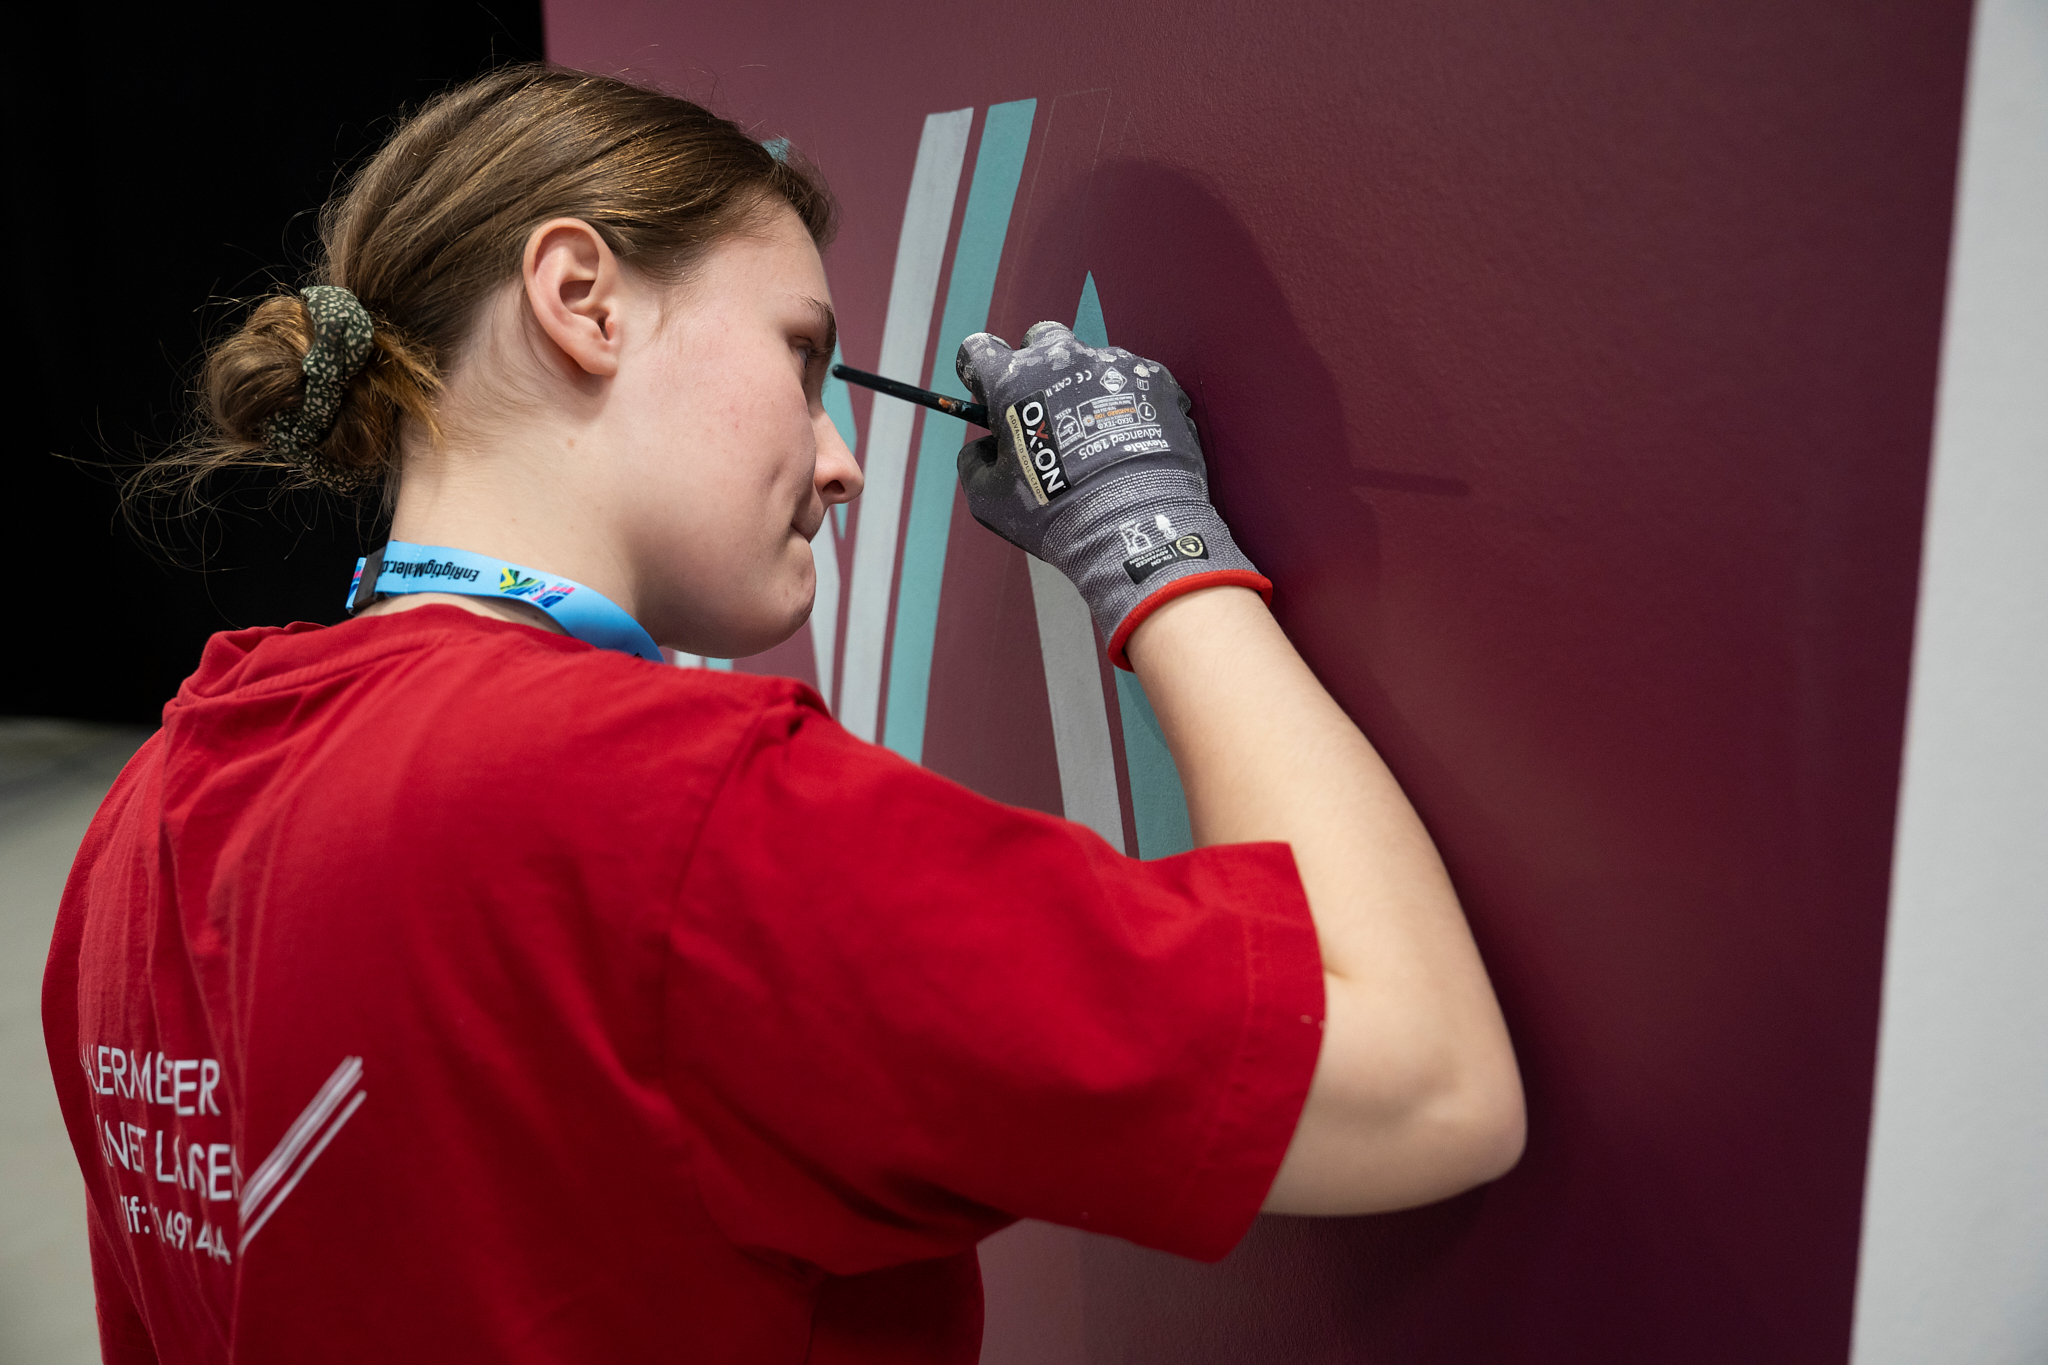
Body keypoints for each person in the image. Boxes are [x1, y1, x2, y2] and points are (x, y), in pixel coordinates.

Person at [42, 64, 1524, 1364]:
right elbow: (1426, 1078)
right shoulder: (673, 812)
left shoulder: (145, 820)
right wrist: (1157, 545)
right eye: (803, 358)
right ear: (582, 301)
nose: (840, 461)